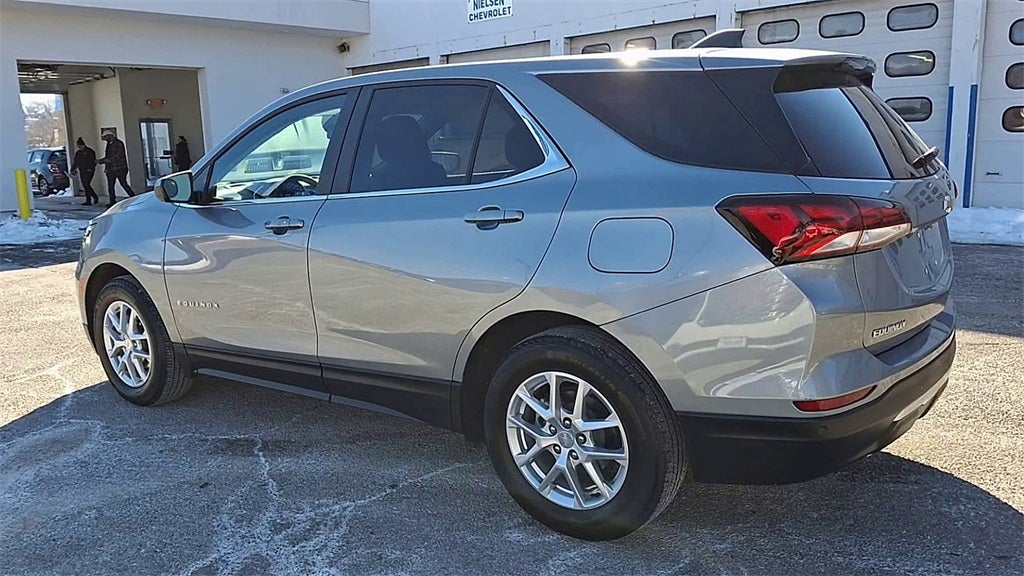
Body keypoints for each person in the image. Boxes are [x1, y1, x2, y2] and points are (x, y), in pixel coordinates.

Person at [97, 132, 135, 206]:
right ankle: (112, 201)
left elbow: (117, 155)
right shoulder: (108, 144)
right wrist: (102, 161)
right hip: (110, 168)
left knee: (123, 183)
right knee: (110, 185)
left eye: (106, 137)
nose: (105, 139)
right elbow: (108, 156)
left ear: (111, 136)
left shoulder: (118, 143)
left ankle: (133, 197)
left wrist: (107, 160)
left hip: (120, 168)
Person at [69, 137, 98, 205]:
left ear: (83, 145)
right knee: (85, 185)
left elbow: (93, 161)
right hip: (82, 170)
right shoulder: (78, 153)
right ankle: (92, 197)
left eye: (80, 146)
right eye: (78, 146)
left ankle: (90, 199)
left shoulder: (90, 151)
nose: (79, 147)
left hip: (89, 170)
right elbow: (76, 162)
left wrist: (90, 168)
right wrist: (73, 169)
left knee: (86, 184)